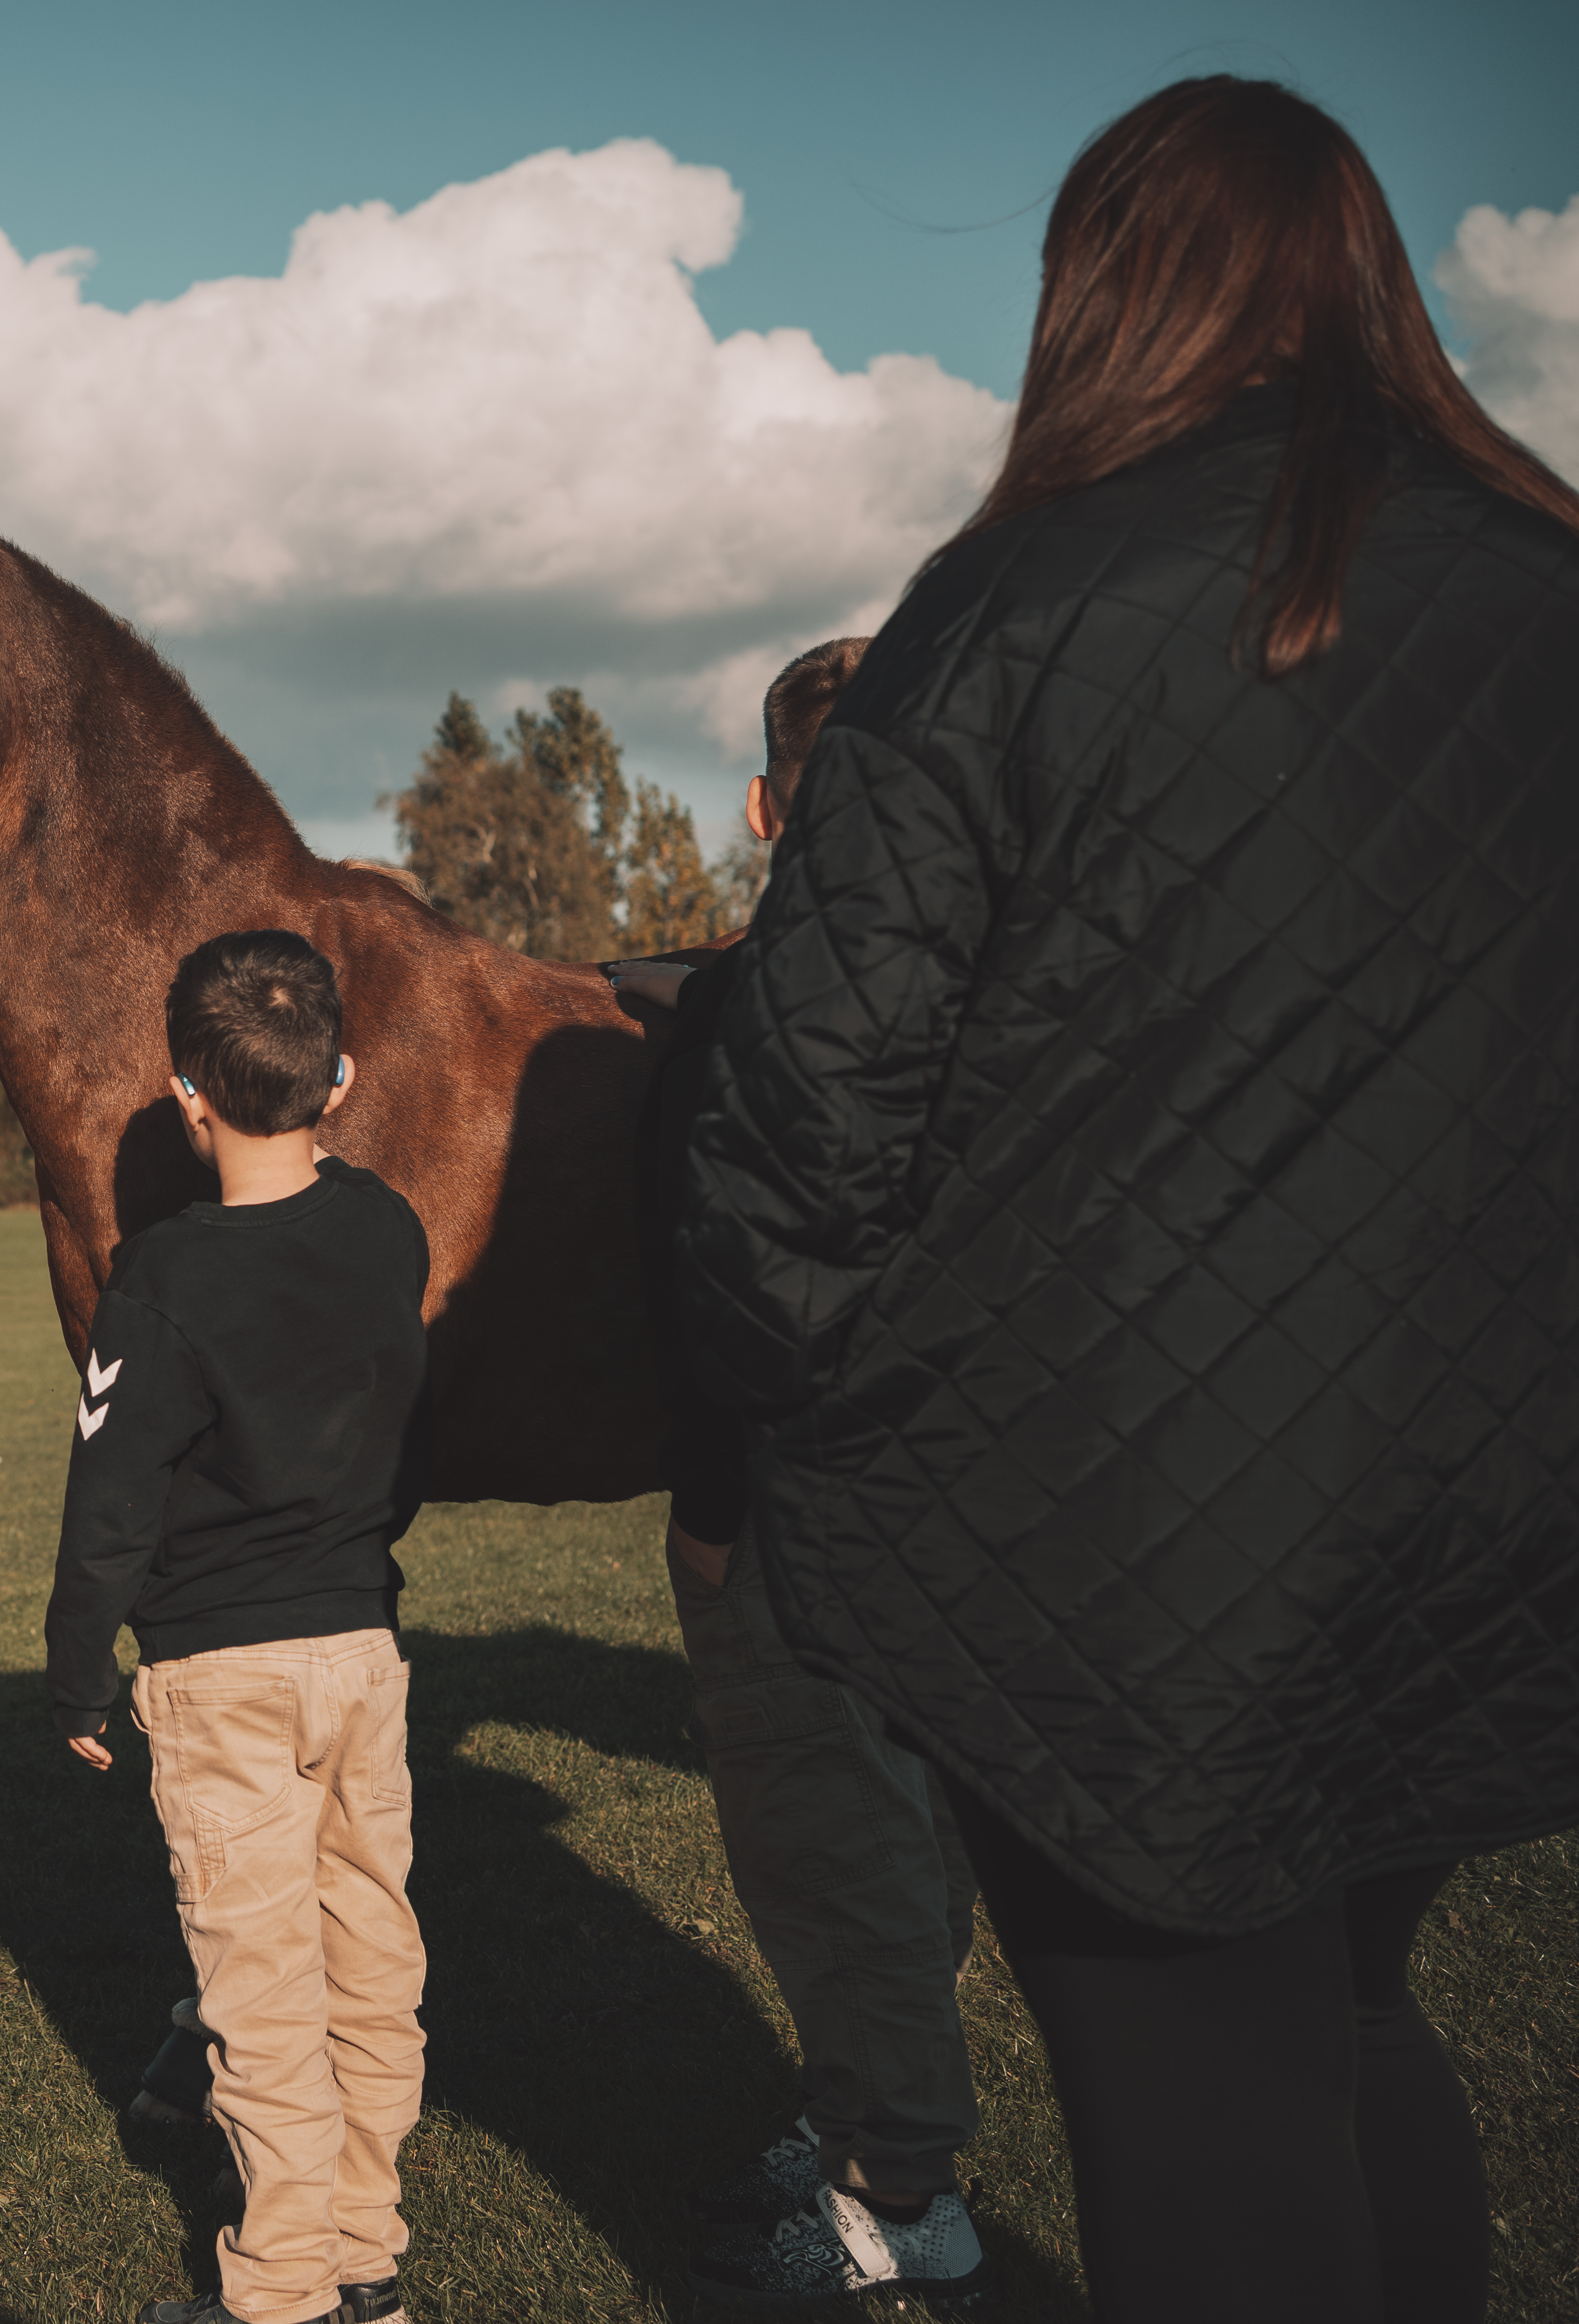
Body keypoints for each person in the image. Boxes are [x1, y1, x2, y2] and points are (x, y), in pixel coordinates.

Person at [677, 78, 1579, 2324]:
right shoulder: (1550, 574)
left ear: (1100, 295)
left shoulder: (1014, 611)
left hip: (1116, 1552)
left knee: (1209, 2111)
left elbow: (797, 1120)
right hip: (1490, 1504)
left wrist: (812, 1418)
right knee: (1361, 2022)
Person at [610, 642, 988, 2308]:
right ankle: (870, 2113)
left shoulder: (752, 1013)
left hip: (796, 1507)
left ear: (767, 805)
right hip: (975, 1497)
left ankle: (897, 2193)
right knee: (907, 1827)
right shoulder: (1005, 984)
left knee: (829, 1837)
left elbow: (722, 1287)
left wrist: (709, 1503)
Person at [46, 931, 434, 2324]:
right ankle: (365, 2256)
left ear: (186, 1093)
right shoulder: (390, 1228)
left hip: (222, 1679)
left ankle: (279, 2293)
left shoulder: (158, 1277)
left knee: (261, 1995)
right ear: (337, 1079)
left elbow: (111, 1498)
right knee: (373, 1964)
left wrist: (79, 1671)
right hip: (362, 1658)